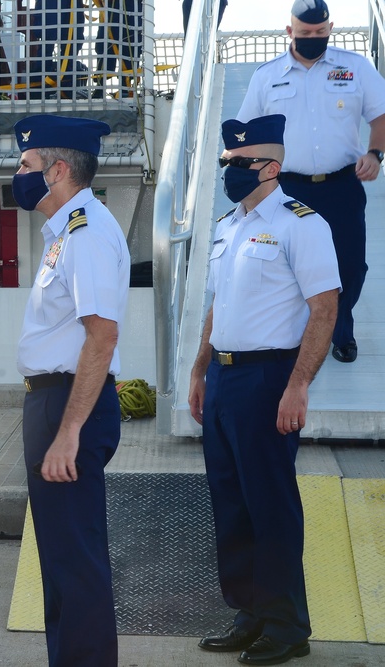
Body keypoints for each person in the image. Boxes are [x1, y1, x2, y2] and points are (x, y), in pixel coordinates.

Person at [189, 114, 340, 666]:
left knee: (270, 504)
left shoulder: (303, 224)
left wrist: (298, 385)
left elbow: (324, 308)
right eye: (225, 162)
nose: (228, 170)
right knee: (231, 503)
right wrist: (200, 370)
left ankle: (286, 624)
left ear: (271, 167)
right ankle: (248, 613)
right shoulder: (228, 226)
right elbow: (215, 307)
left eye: (238, 163)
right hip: (226, 377)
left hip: (268, 377)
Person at [13, 114, 129, 666]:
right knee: (60, 558)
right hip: (53, 402)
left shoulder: (86, 232)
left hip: (68, 408)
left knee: (75, 560)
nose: (19, 173)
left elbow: (101, 336)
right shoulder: (66, 231)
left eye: (26, 164)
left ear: (57, 170)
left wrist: (69, 433)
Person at [237, 0, 385, 363]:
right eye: (305, 34)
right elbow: (245, 132)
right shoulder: (267, 76)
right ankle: (294, 332)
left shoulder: (354, 68)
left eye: (320, 33)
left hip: (342, 185)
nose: (313, 39)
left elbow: (380, 113)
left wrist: (375, 154)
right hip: (287, 188)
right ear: (290, 32)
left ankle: (340, 328)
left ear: (330, 28)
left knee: (350, 265)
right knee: (286, 264)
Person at [17, 1, 88, 97]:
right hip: (53, 7)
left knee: (71, 41)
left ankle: (66, 79)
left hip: (70, 7)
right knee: (48, 41)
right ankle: (43, 81)